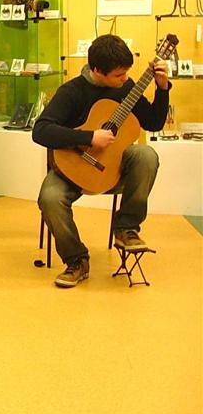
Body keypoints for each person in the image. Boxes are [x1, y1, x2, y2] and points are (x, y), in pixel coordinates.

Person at [33, 34, 170, 288]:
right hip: (73, 168)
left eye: (126, 72)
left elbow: (153, 122)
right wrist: (88, 137)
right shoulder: (71, 92)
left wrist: (162, 89)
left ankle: (126, 228)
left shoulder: (126, 88)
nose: (125, 79)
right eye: (119, 74)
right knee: (49, 198)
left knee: (147, 155)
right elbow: (40, 131)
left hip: (112, 169)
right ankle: (77, 260)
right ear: (97, 70)